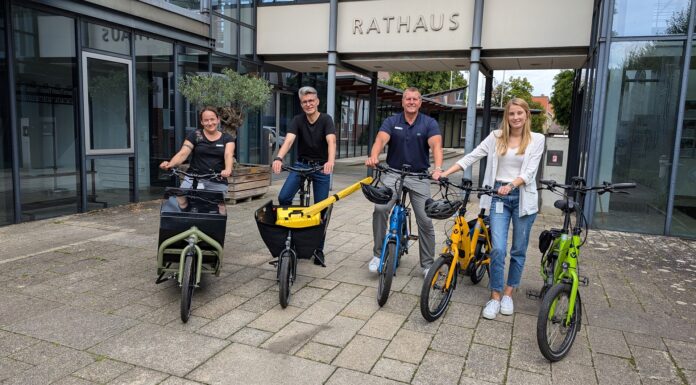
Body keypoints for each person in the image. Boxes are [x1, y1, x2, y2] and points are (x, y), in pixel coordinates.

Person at [436, 98, 545, 320]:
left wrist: (511, 185)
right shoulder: (496, 137)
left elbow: (530, 172)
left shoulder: (537, 139)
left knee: (518, 250)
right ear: (507, 116)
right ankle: (495, 296)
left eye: (519, 113)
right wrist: (445, 173)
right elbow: (473, 155)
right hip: (498, 197)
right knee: (497, 249)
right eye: (511, 114)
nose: (515, 118)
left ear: (526, 115)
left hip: (523, 198)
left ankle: (508, 293)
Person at [365, 87, 444, 277]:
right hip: (393, 173)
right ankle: (378, 255)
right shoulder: (392, 121)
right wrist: (374, 155)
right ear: (402, 102)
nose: (411, 102)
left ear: (420, 103)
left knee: (425, 219)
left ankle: (427, 265)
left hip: (419, 176)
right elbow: (380, 140)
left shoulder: (429, 123)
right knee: (381, 209)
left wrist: (438, 168)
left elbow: (436, 145)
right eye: (407, 99)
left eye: (415, 99)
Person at [272, 86, 336, 266]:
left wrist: (330, 161)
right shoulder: (298, 120)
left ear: (317, 102)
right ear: (301, 105)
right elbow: (289, 139)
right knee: (284, 197)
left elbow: (331, 141)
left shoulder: (326, 120)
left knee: (321, 208)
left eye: (311, 101)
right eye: (304, 102)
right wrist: (279, 157)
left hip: (321, 167)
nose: (308, 104)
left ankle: (318, 249)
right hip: (302, 165)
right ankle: (287, 241)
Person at [159, 106, 234, 214]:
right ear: (202, 122)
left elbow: (228, 154)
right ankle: (186, 220)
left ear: (218, 120)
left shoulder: (227, 138)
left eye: (212, 119)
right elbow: (183, 153)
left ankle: (214, 229)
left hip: (216, 179)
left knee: (219, 209)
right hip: (193, 177)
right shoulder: (196, 135)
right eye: (206, 120)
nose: (210, 123)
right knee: (180, 198)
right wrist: (170, 164)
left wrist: (227, 169)